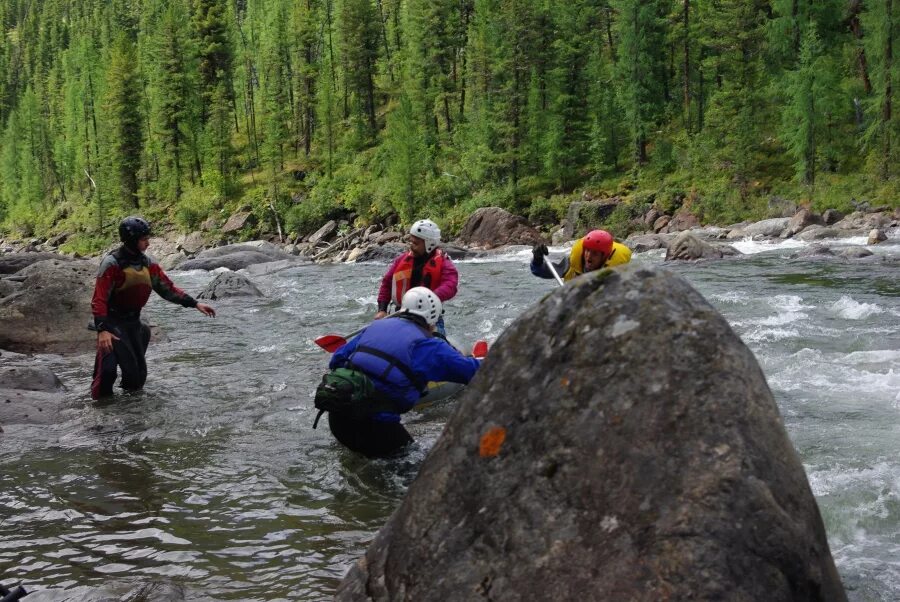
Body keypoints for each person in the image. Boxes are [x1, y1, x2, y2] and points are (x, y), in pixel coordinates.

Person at [325, 287, 480, 458]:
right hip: (376, 427)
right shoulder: (429, 345)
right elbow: (472, 372)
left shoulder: (375, 327)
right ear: (431, 320)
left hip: (337, 419)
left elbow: (336, 361)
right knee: (412, 471)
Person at [90, 216, 216, 399]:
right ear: (131, 240)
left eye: (147, 238)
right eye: (143, 239)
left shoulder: (148, 264)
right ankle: (98, 413)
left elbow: (167, 289)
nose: (148, 243)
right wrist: (102, 329)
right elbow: (99, 299)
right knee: (107, 373)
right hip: (111, 323)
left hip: (133, 323)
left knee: (136, 379)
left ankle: (129, 416)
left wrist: (195, 303)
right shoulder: (112, 263)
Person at [375, 219, 458, 335]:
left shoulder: (444, 263)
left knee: (437, 341)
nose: (411, 246)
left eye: (415, 243)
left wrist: (427, 298)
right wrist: (382, 310)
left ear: (429, 244)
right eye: (411, 242)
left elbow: (450, 285)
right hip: (401, 314)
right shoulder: (400, 261)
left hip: (429, 318)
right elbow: (387, 283)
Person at [531, 229, 632, 282]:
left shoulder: (618, 275)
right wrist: (537, 259)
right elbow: (539, 270)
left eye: (595, 253)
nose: (588, 256)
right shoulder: (572, 264)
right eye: (587, 251)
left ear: (605, 256)